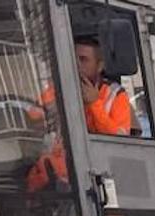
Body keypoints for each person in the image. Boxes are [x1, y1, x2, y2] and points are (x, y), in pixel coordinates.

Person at [27, 35, 142, 192]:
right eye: (73, 59)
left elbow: (119, 142)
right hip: (59, 173)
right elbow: (33, 120)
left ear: (99, 66)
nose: (77, 65)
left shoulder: (115, 95)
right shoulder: (57, 88)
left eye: (83, 60)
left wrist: (94, 104)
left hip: (104, 176)